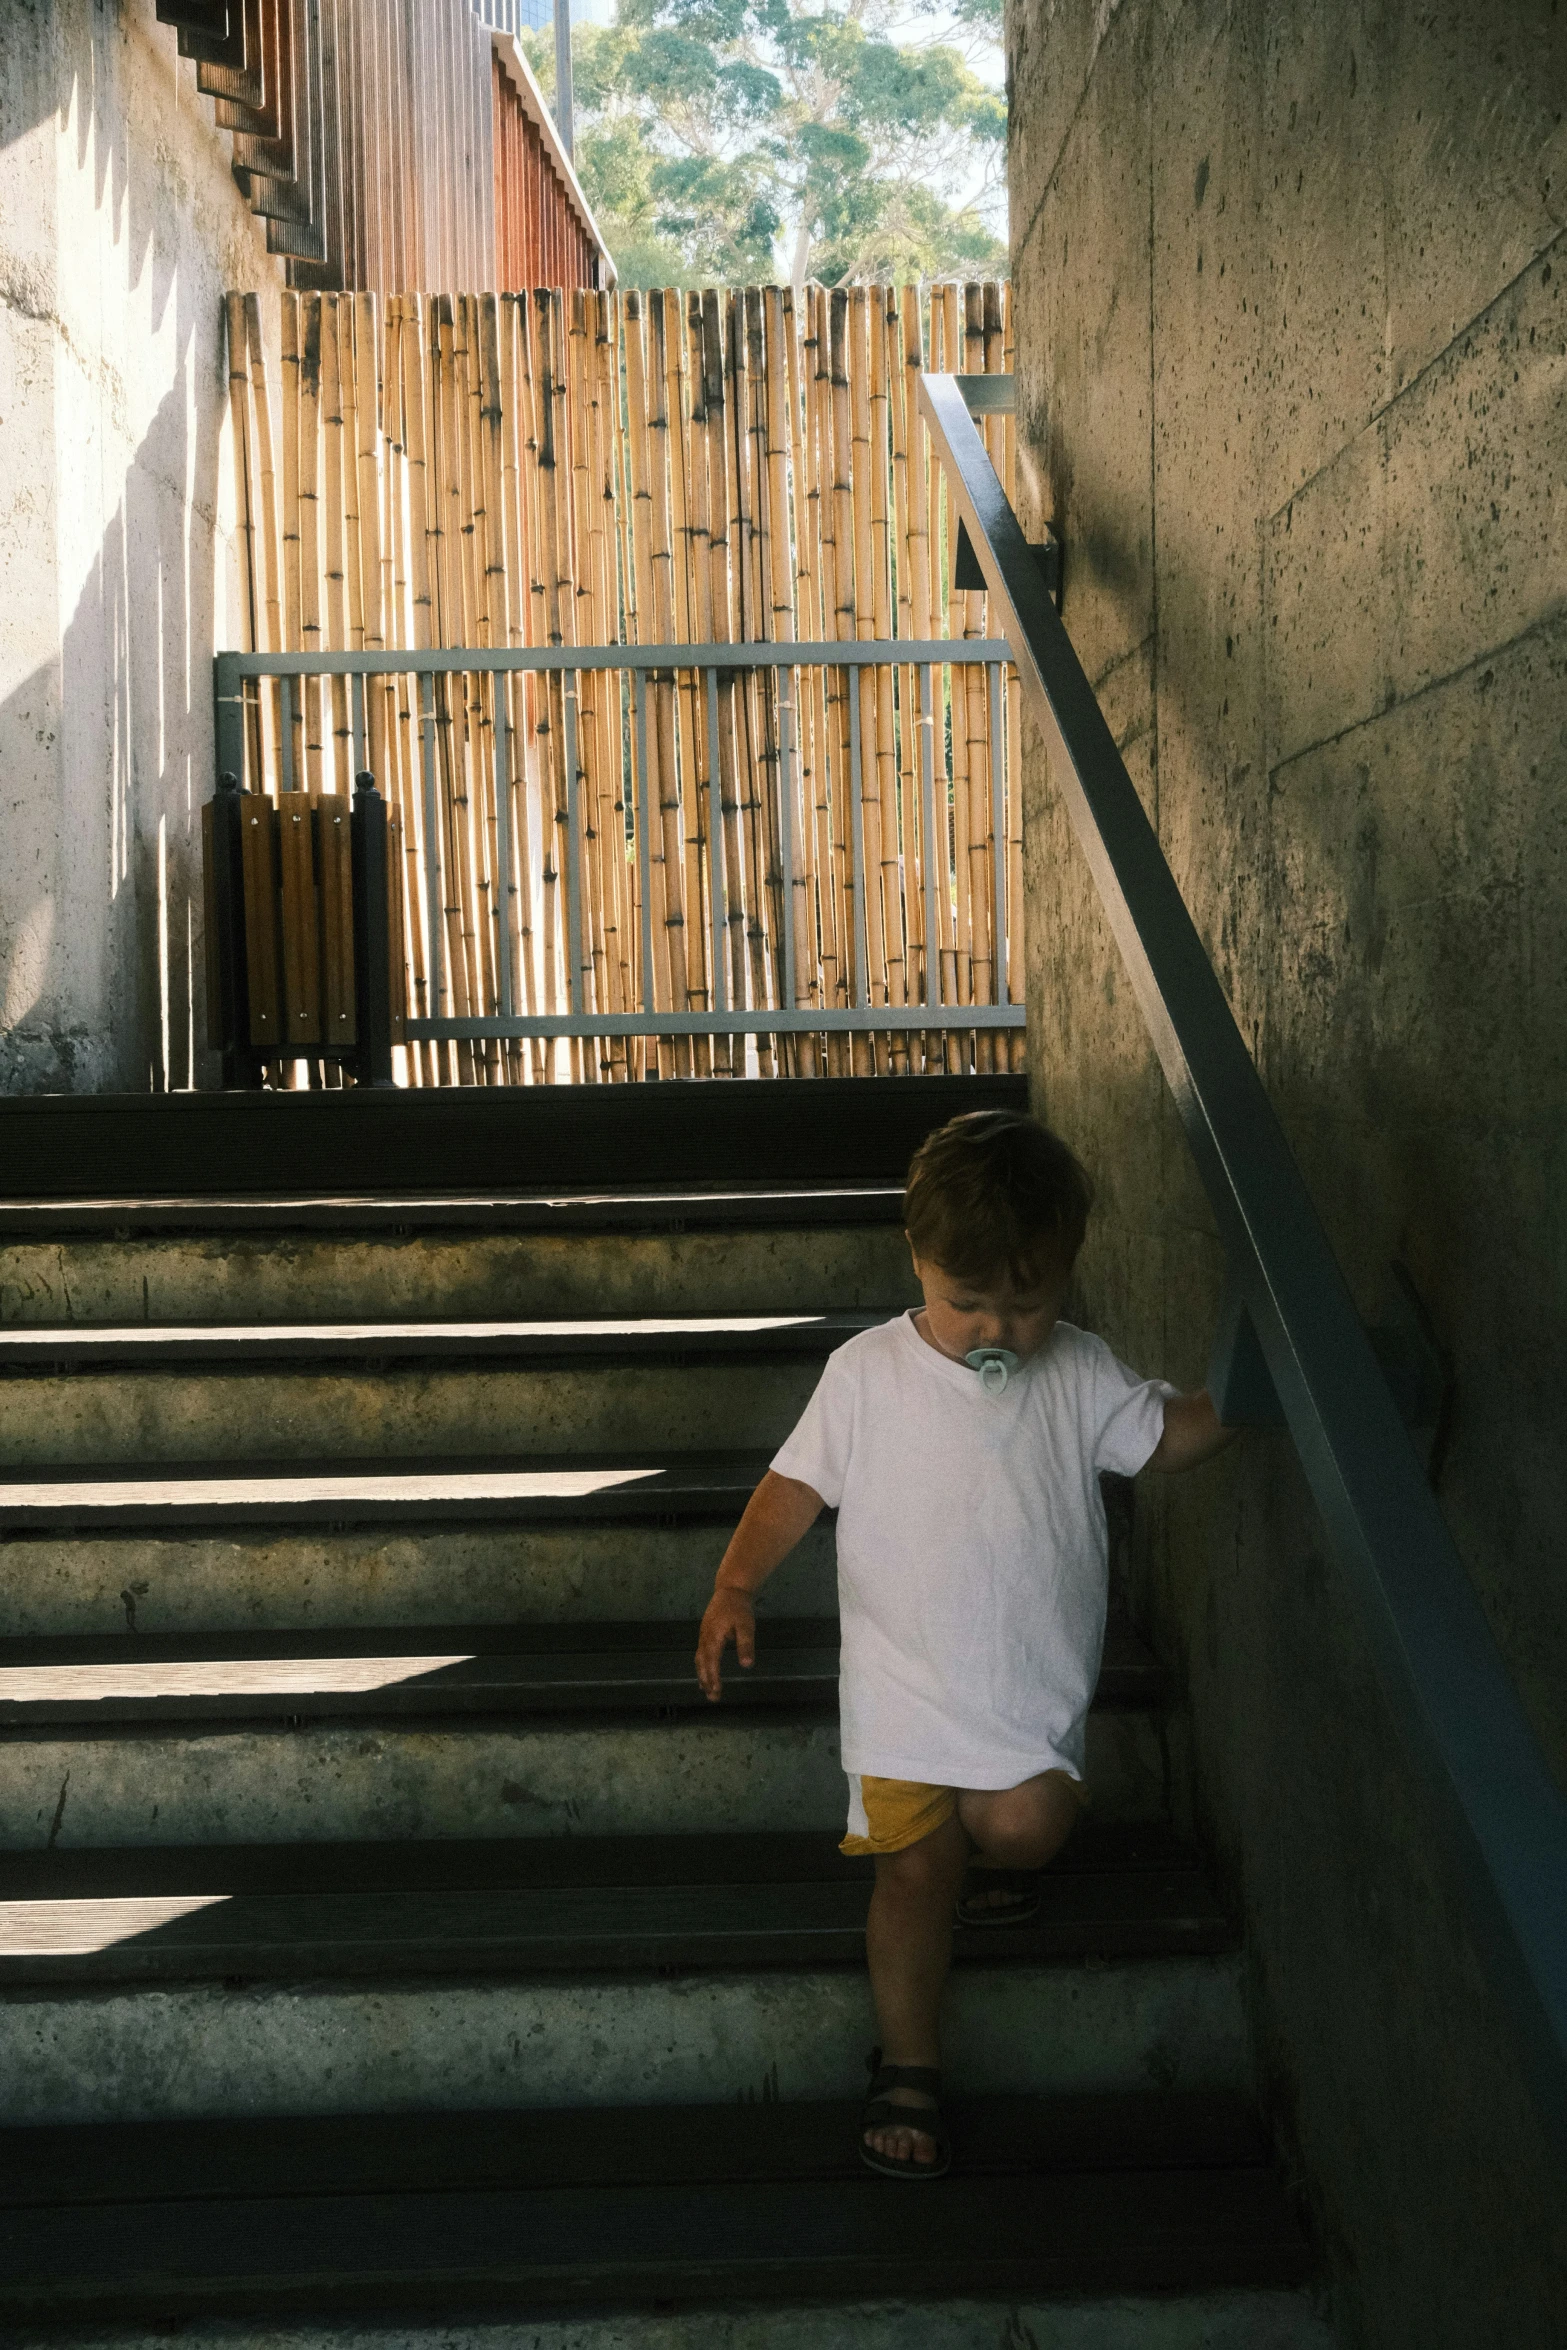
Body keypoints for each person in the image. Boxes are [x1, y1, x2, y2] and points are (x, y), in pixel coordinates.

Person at [694, 1108, 1234, 2180]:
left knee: (1026, 1826)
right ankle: (908, 2064)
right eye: (965, 1302)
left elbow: (1163, 1438)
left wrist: (1252, 1396)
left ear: (1067, 1277)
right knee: (910, 1873)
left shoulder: (1078, 1372)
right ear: (917, 1263)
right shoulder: (867, 1372)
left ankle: (990, 1871)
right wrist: (737, 1579)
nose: (994, 1328)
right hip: (902, 1693)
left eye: (1024, 1305)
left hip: (1018, 1690)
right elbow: (796, 1481)